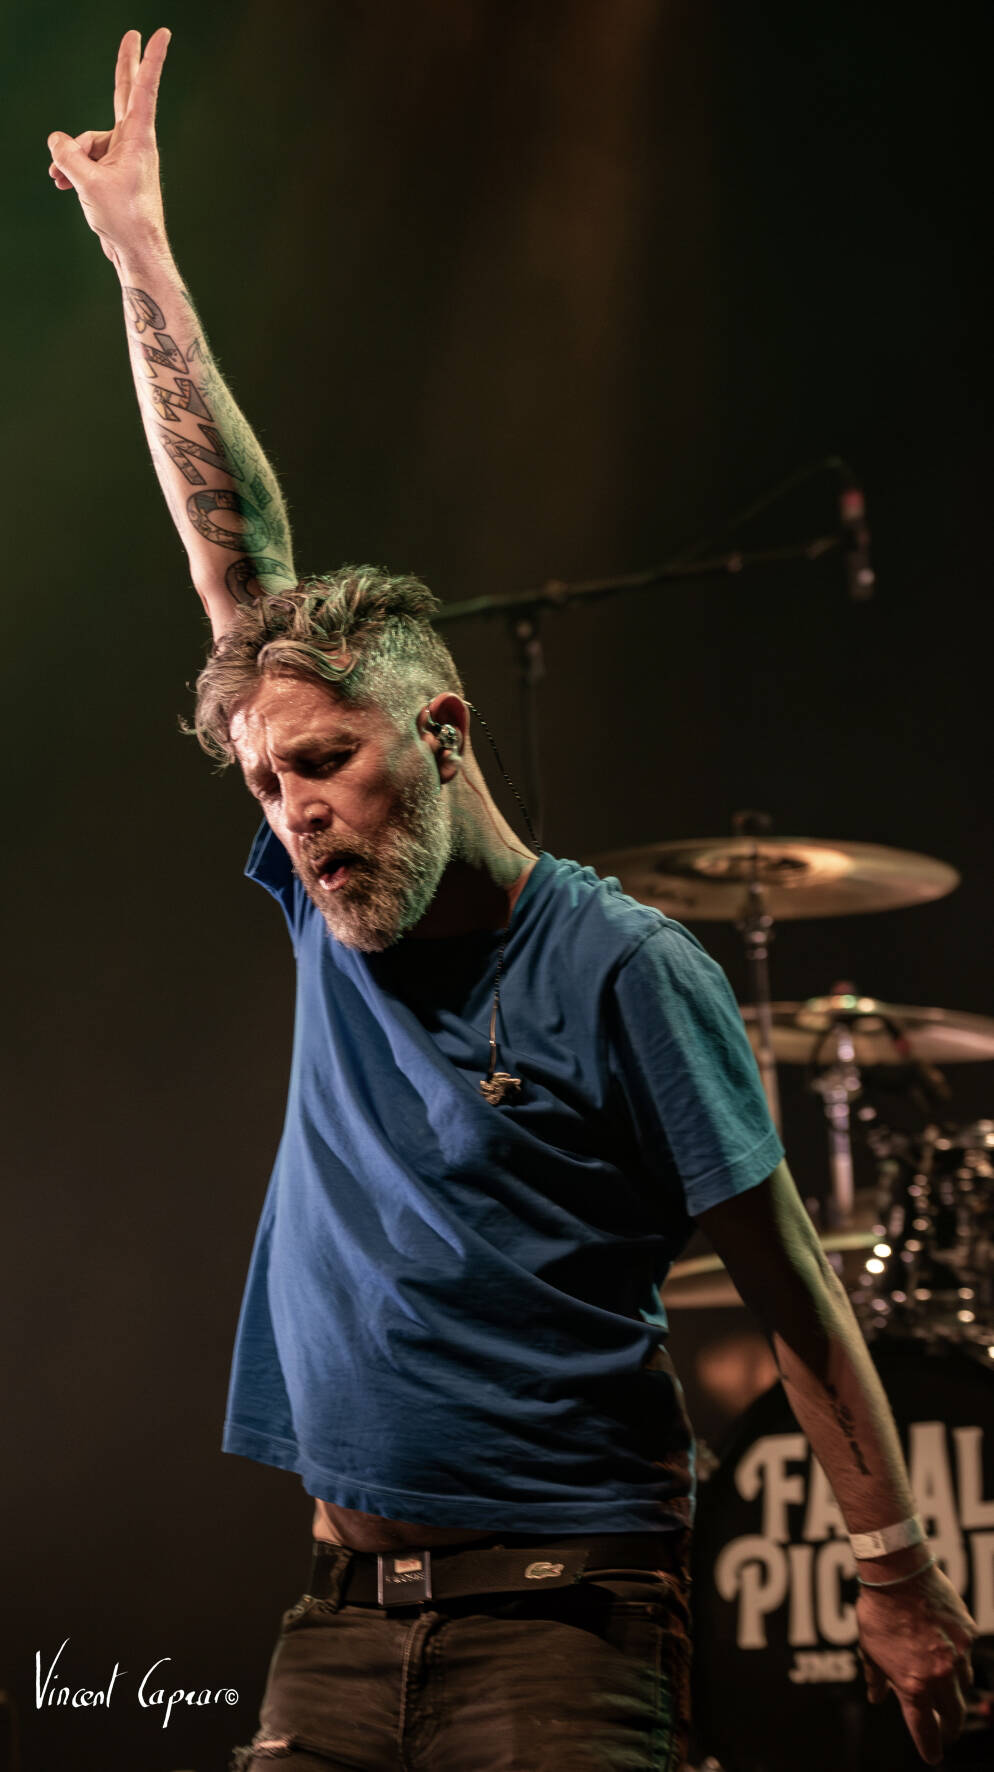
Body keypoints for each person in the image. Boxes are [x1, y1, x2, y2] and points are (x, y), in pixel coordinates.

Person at [47, 30, 977, 1772]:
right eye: (265, 782)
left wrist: (890, 1571)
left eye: (324, 764)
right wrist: (140, 254)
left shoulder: (623, 969)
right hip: (334, 1620)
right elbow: (234, 560)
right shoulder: (326, 913)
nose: (294, 813)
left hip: (563, 1619)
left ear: (444, 731)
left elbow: (786, 1286)